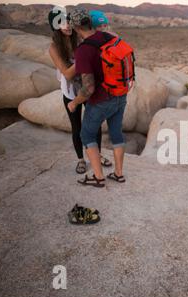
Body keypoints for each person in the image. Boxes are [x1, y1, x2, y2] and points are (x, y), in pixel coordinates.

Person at [47, 9, 112, 175]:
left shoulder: (81, 38)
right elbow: (67, 74)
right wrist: (85, 55)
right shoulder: (54, 48)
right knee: (77, 128)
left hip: (88, 89)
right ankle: (81, 160)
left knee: (95, 125)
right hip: (70, 92)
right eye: (61, 23)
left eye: (68, 21)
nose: (67, 25)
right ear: (55, 27)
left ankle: (96, 155)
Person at [68, 9, 127, 188]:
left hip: (101, 100)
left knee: (86, 134)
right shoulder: (109, 38)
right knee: (116, 133)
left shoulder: (84, 50)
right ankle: (118, 174)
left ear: (76, 27)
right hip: (120, 95)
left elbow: (88, 88)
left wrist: (74, 102)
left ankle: (98, 177)